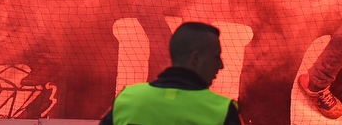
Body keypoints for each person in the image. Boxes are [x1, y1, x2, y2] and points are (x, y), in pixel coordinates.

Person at [98, 22, 242, 125]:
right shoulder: (221, 110)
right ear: (196, 58)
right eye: (216, 57)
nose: (221, 65)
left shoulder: (127, 99)